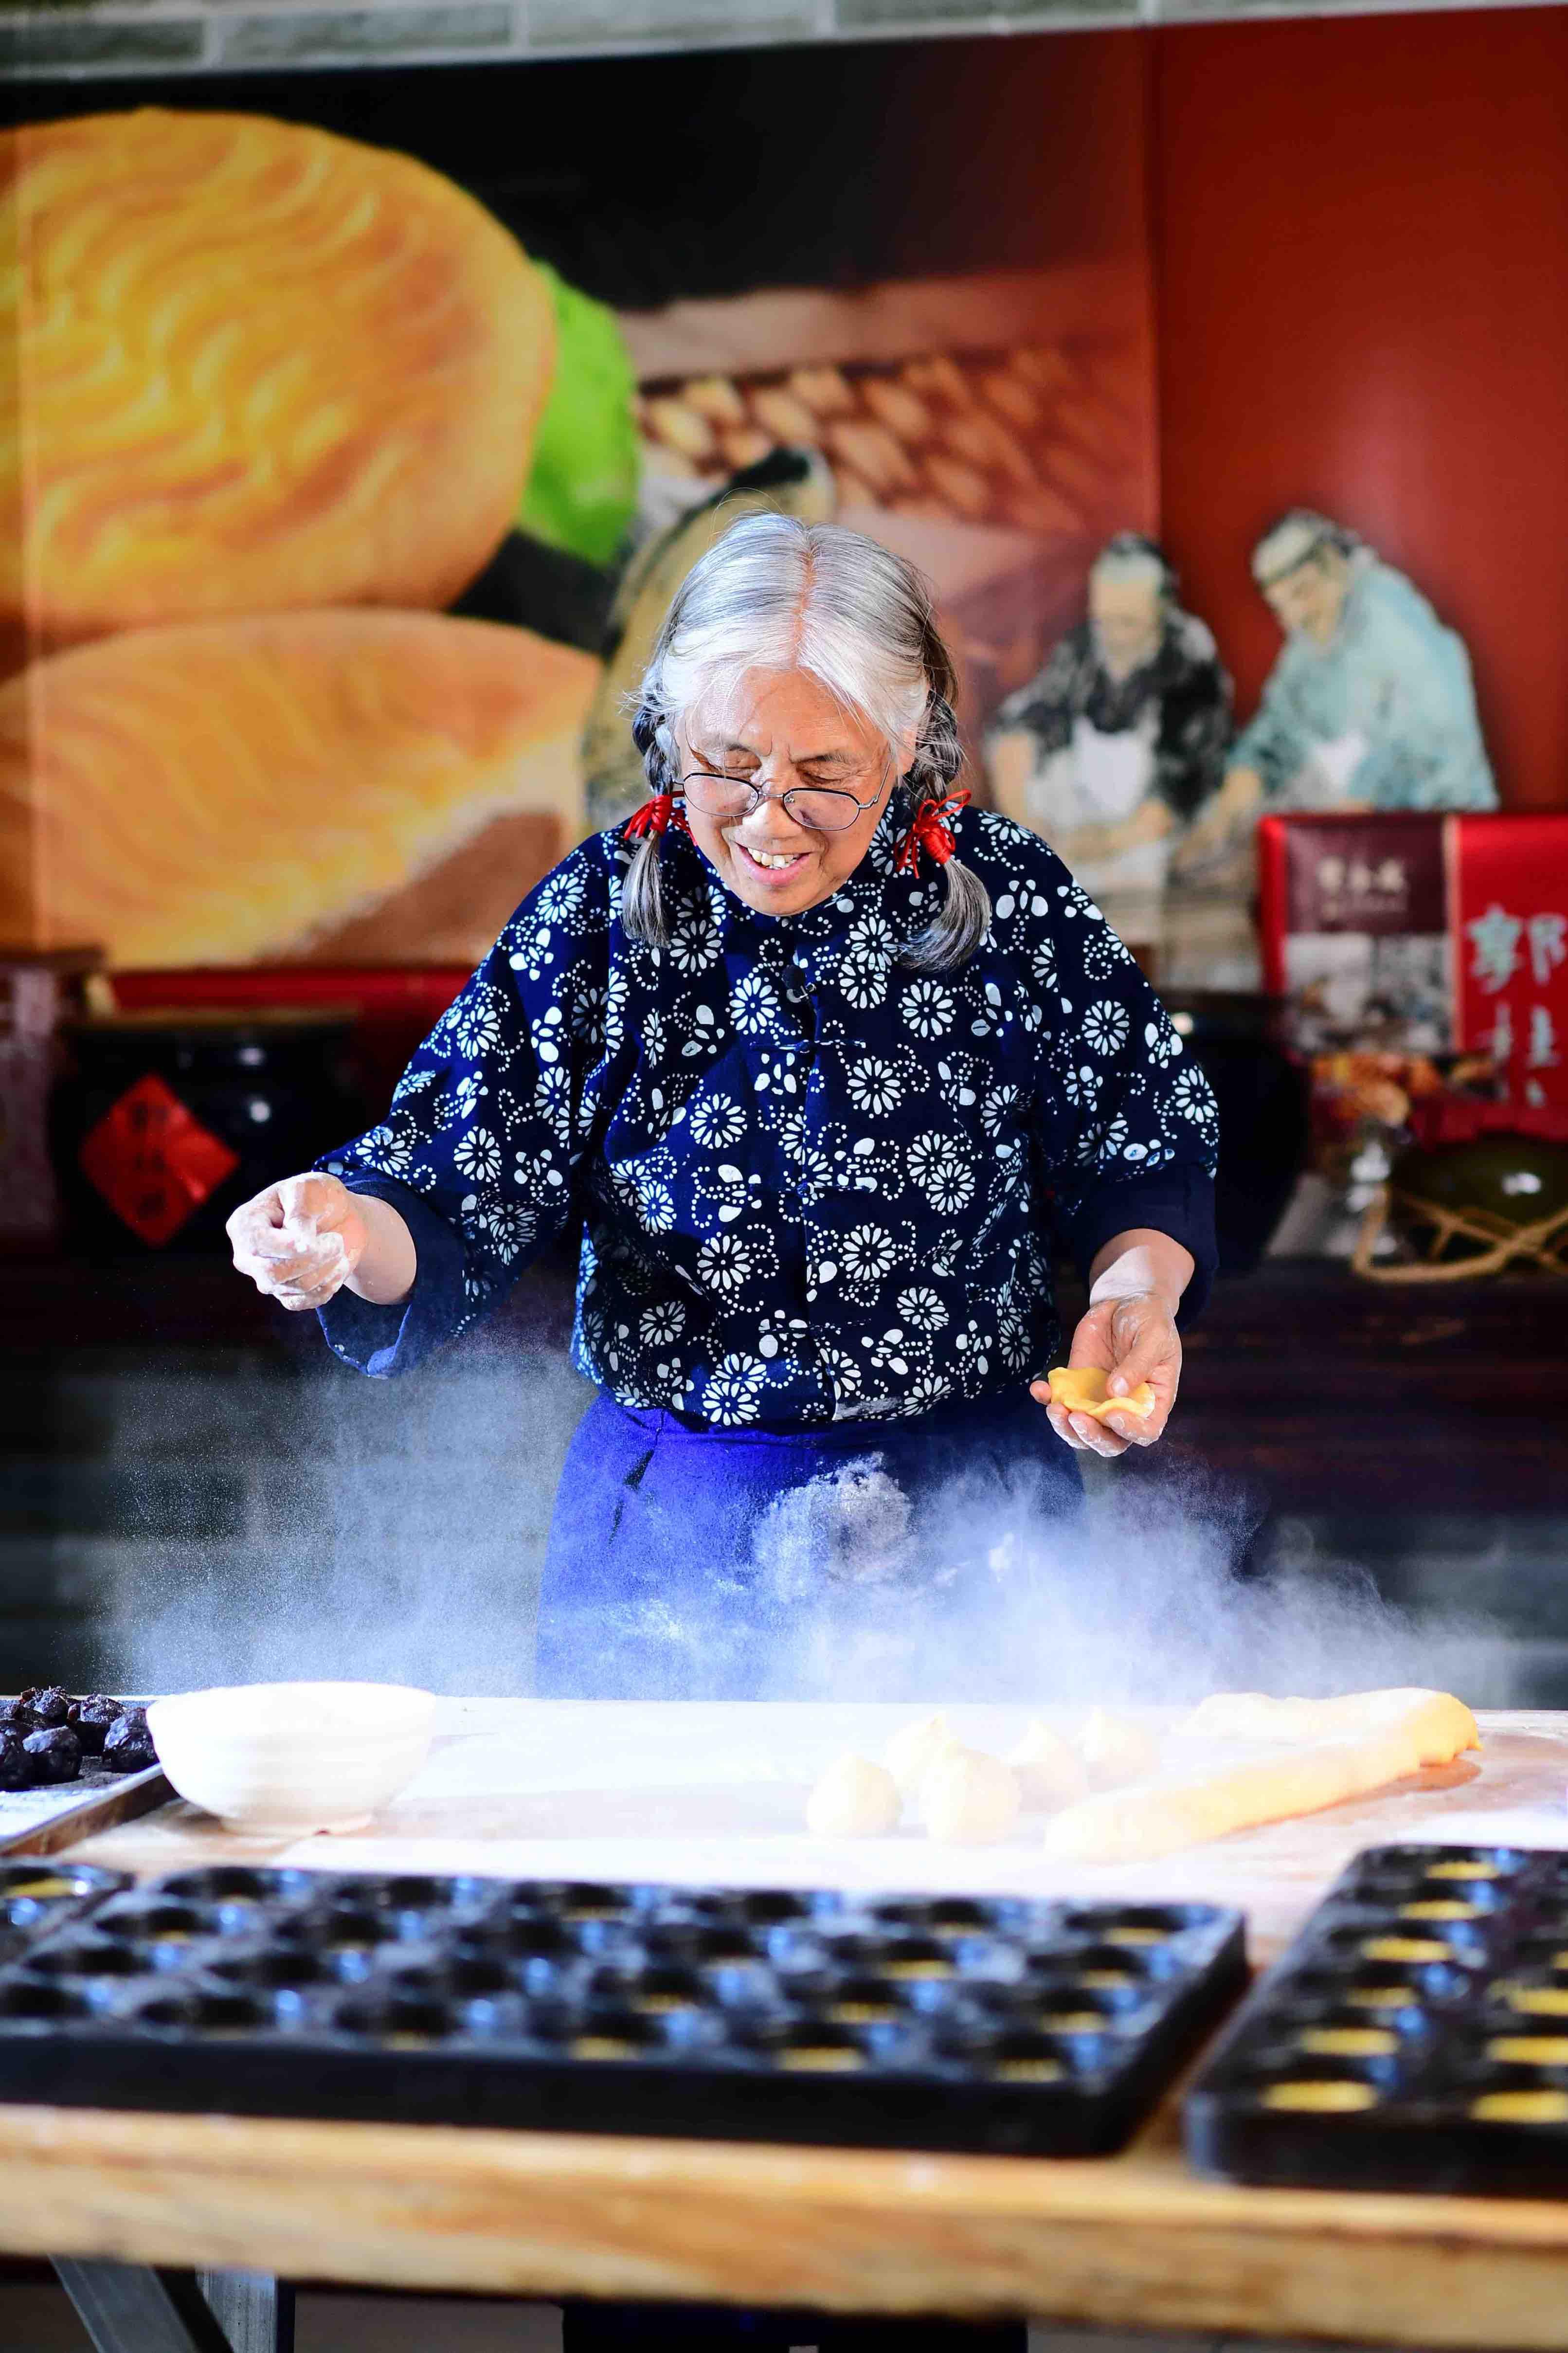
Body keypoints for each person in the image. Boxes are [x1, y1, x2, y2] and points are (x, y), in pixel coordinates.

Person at [229, 514, 1218, 1704]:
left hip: (976, 1528)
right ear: (670, 734)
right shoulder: (599, 917)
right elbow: (445, 1185)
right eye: (729, 767)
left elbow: (1140, 1137)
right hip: (678, 1546)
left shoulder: (1003, 894)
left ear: (905, 745)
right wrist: (337, 1232)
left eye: (822, 780)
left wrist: (1132, 1294)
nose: (765, 822)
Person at [1178, 510, 1496, 886]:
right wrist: (1231, 803)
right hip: (1351, 843)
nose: (1295, 617)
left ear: (1331, 565)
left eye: (1301, 594)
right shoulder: (1311, 634)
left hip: (1438, 843)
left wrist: (1332, 825)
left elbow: (1428, 743)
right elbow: (1279, 724)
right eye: (1281, 607)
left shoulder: (1391, 619)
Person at [985, 532, 1231, 945]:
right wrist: (1024, 823)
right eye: (1104, 620)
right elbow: (1024, 724)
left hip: (1150, 858)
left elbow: (1174, 797)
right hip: (1076, 840)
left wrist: (1093, 845)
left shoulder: (1191, 664)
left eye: (1129, 623)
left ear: (1163, 609)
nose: (1113, 635)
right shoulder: (1083, 648)